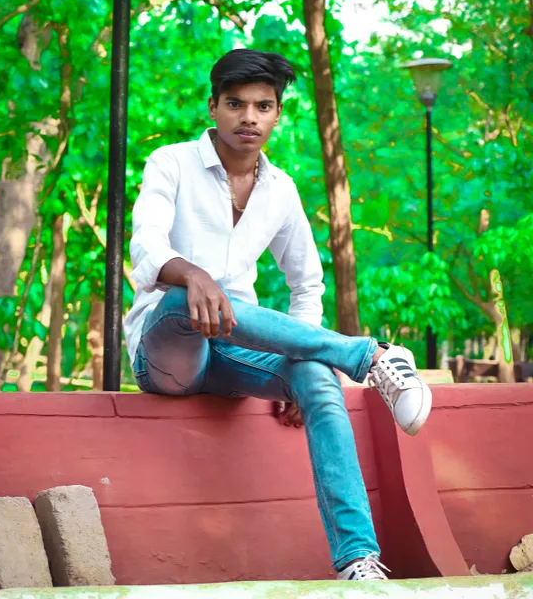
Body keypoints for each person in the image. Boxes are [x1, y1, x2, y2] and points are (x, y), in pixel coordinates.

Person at [124, 49, 432, 582]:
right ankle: (370, 357)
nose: (249, 118)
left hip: (237, 345)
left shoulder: (280, 189)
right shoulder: (170, 163)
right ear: (213, 108)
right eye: (236, 104)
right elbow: (146, 245)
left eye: (263, 107)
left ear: (277, 114)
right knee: (183, 299)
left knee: (314, 375)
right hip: (167, 349)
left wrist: (298, 357)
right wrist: (192, 274)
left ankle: (358, 560)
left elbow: (306, 282)